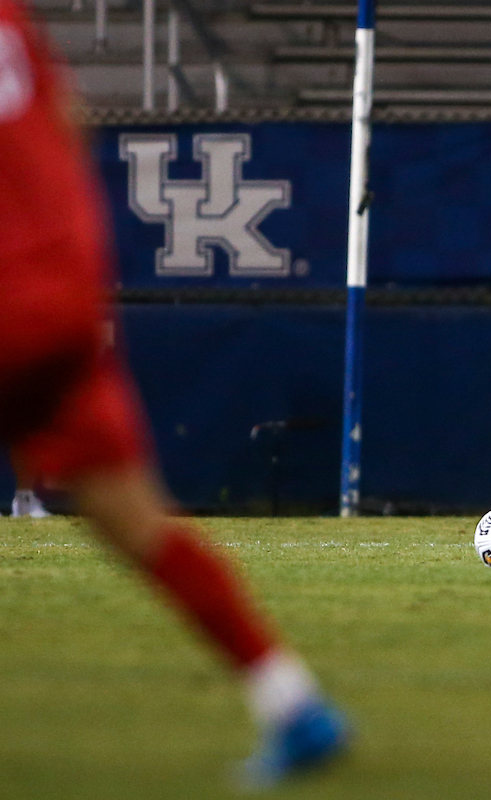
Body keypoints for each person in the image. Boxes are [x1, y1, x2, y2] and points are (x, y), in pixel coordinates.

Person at [0, 0, 347, 785]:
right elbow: (67, 119)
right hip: (63, 290)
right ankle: (293, 703)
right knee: (134, 519)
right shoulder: (12, 20)